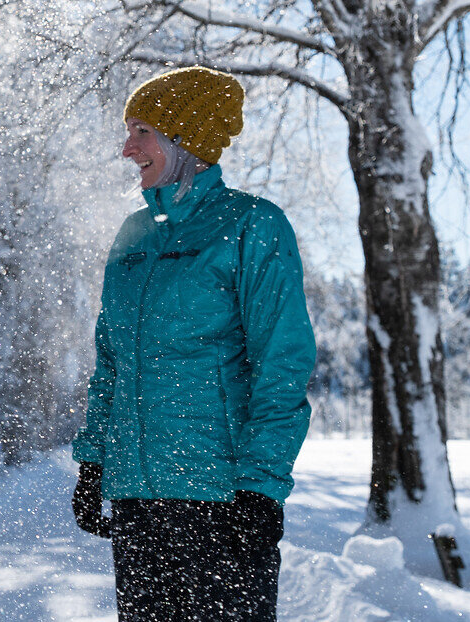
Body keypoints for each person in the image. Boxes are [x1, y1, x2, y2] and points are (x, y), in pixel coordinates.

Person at [70, 67, 316, 621]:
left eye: (143, 132)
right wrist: (93, 463)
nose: (128, 148)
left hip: (221, 499)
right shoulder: (133, 237)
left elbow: (282, 362)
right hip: (137, 501)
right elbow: (111, 363)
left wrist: (261, 486)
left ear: (185, 138)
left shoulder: (252, 225)